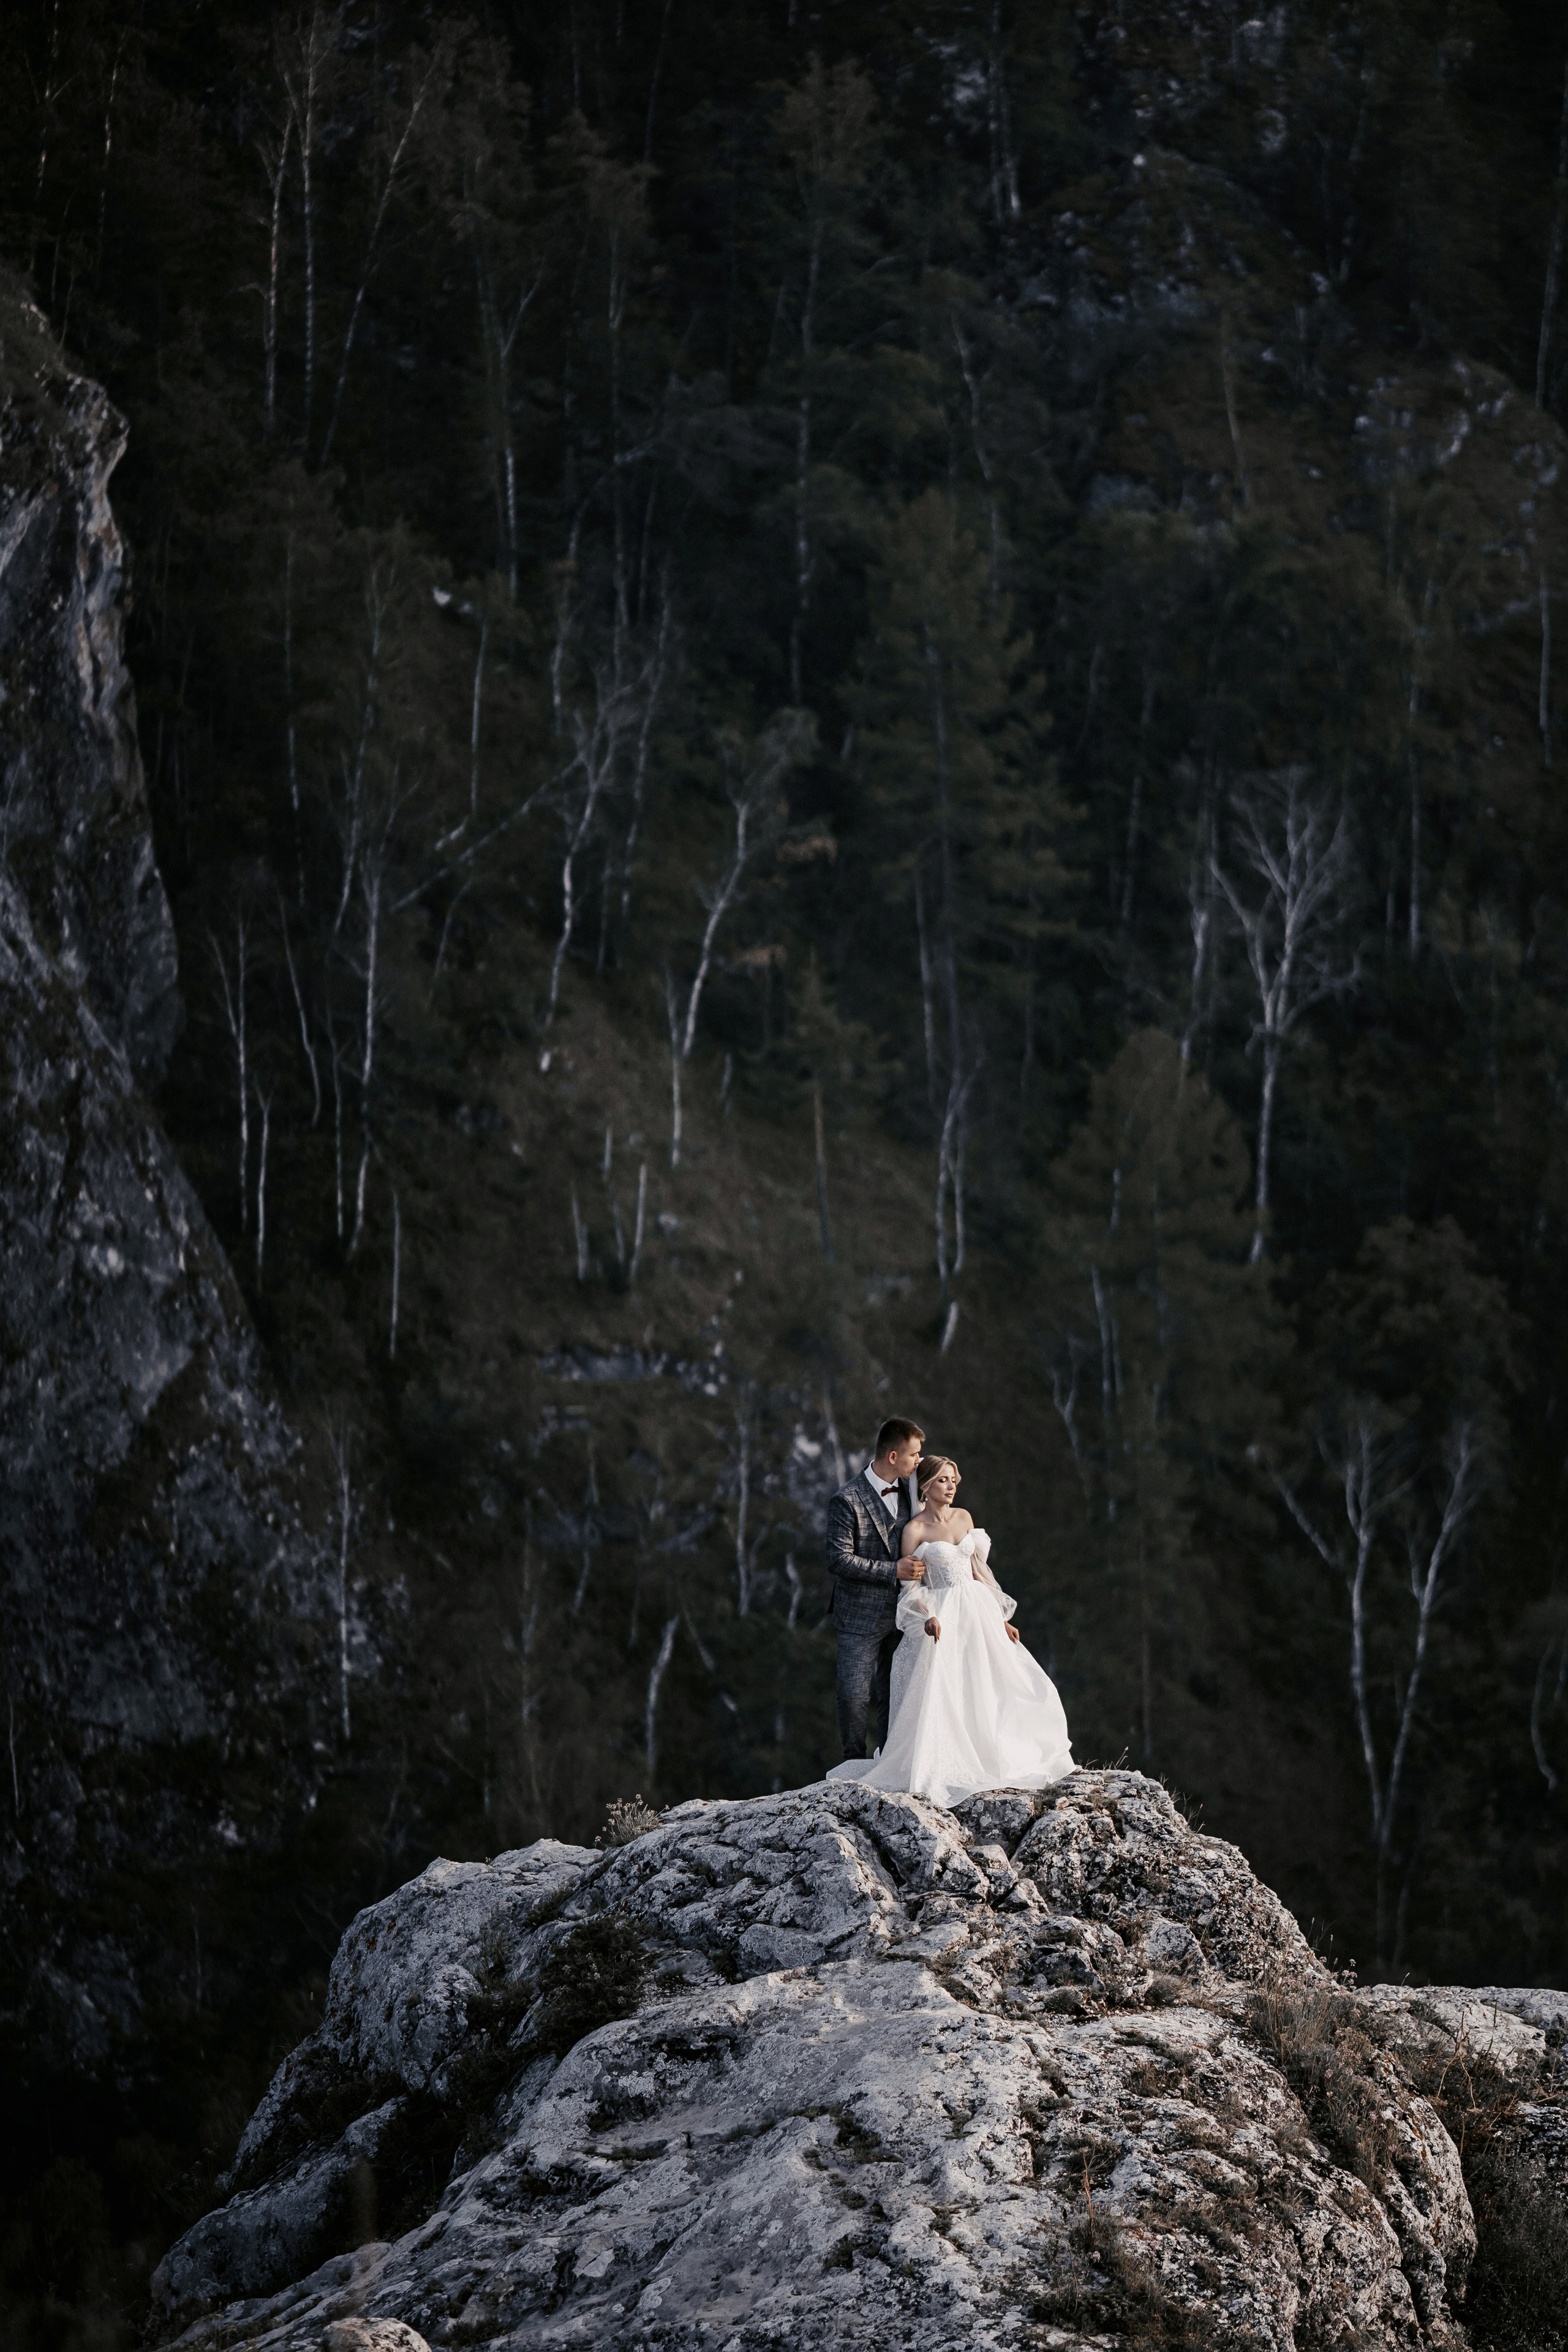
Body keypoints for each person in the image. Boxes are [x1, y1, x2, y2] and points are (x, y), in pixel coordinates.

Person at [827, 1453, 1074, 1809]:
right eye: (943, 1480)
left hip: (977, 1611)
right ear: (926, 1486)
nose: (951, 1487)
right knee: (946, 1686)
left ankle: (992, 1749)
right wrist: (924, 1615)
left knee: (991, 1682)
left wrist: (1001, 1617)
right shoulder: (914, 1530)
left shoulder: (965, 1518)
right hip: (941, 1613)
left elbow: (978, 1570)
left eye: (954, 1480)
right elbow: (910, 1584)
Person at [824, 1415, 929, 1760]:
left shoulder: (912, 1492)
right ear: (893, 1457)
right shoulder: (847, 1499)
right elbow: (839, 1560)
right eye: (914, 1455)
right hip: (858, 1616)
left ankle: (888, 1763)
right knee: (853, 1696)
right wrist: (893, 1570)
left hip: (902, 1614)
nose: (919, 1462)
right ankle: (852, 1763)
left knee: (893, 1692)